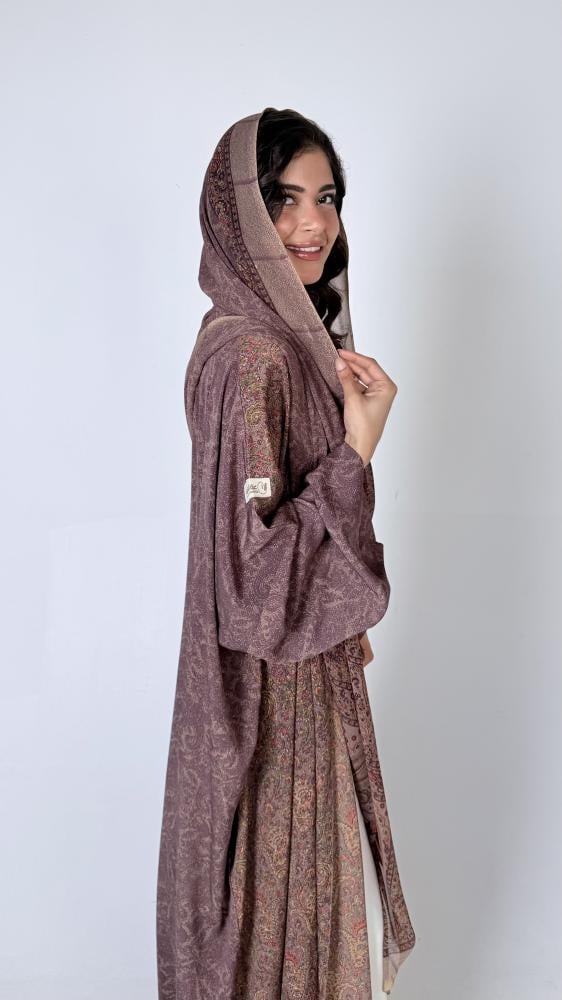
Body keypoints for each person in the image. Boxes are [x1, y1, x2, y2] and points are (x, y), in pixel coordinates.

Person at [156, 107, 416, 1000]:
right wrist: (354, 454)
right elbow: (255, 590)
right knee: (301, 939)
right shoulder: (255, 356)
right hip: (276, 704)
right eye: (284, 199)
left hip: (296, 684)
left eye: (327, 198)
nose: (313, 225)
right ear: (239, 216)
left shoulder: (260, 338)